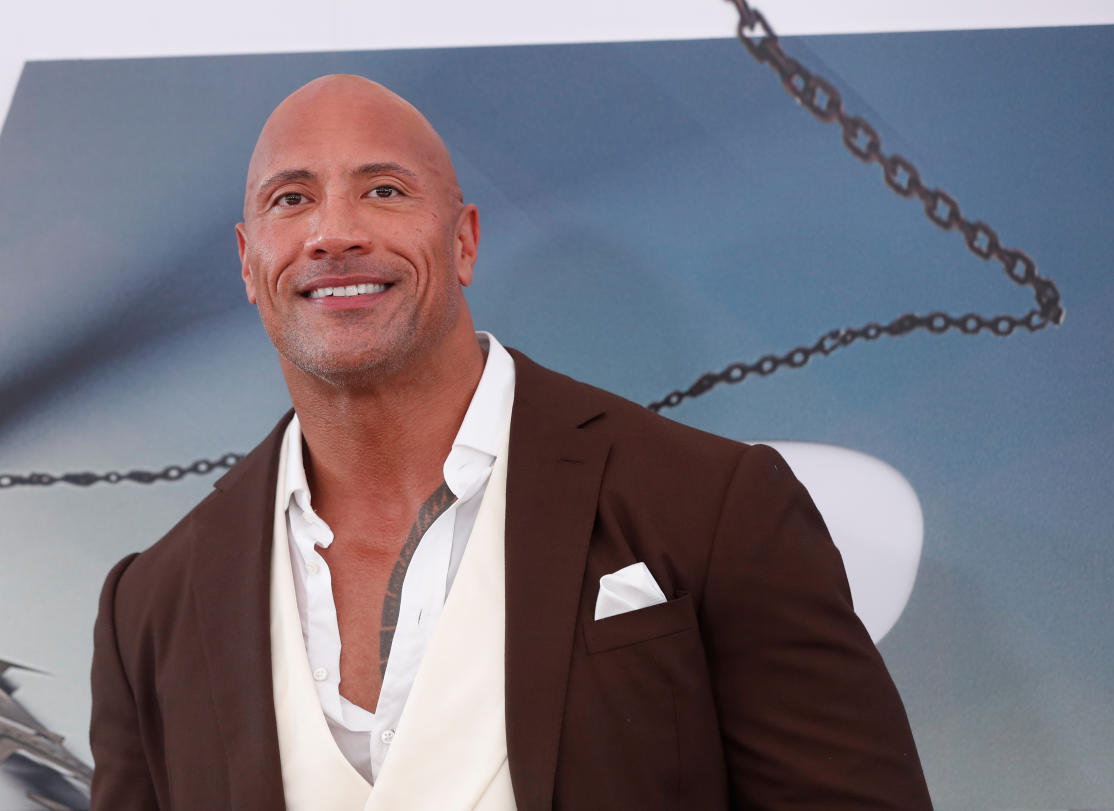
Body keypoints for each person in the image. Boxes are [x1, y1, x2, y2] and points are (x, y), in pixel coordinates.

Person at [90, 74, 933, 810]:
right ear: (248, 261)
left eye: (383, 191)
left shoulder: (713, 505)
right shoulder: (151, 607)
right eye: (291, 198)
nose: (333, 232)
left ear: (463, 241)